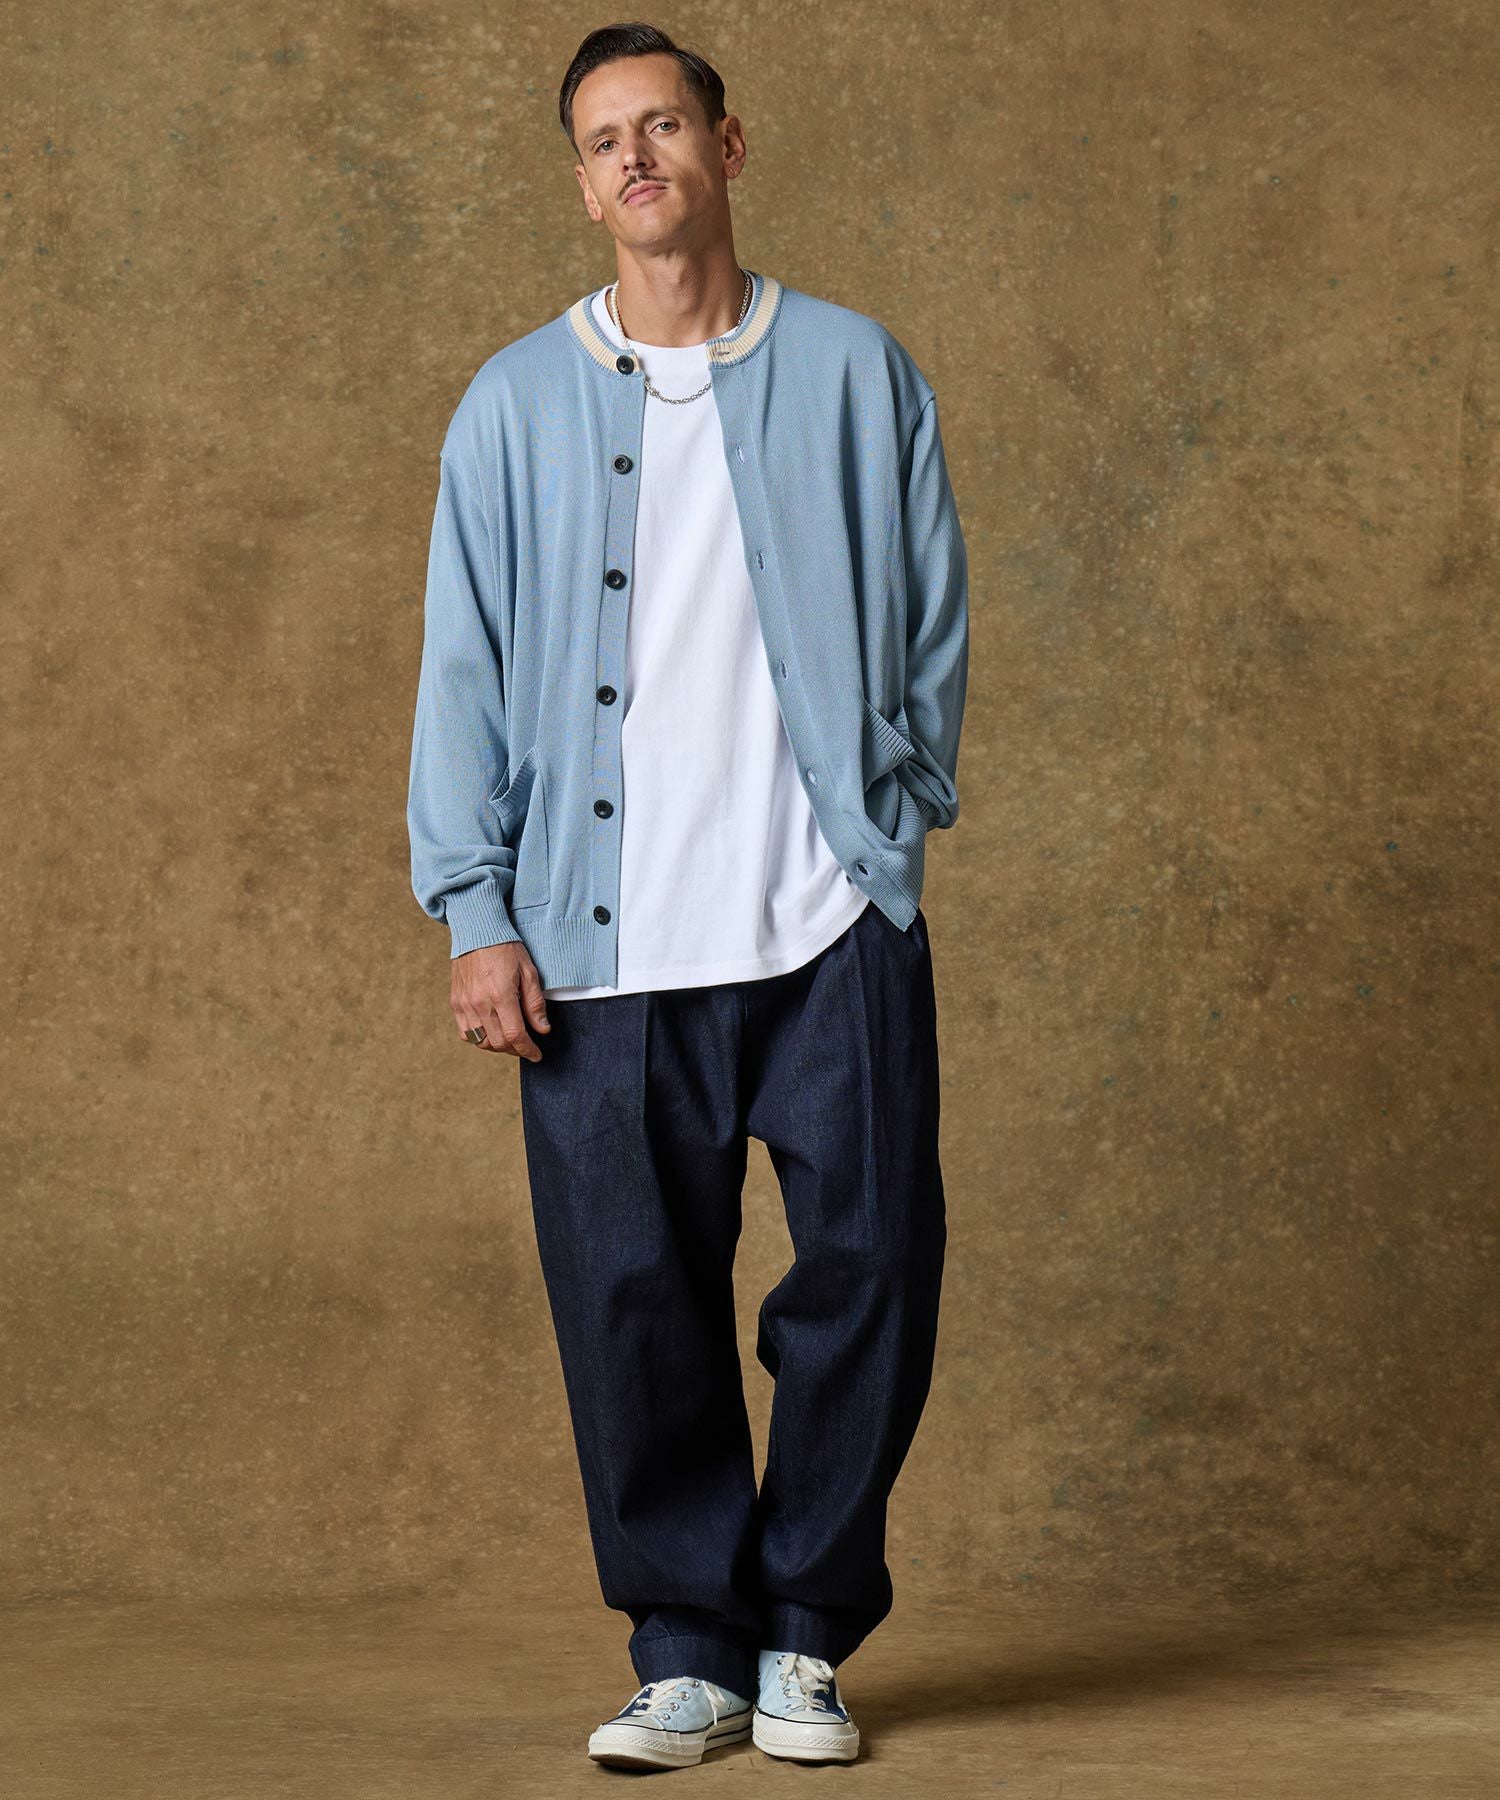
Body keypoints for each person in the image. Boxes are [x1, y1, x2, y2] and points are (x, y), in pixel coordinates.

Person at [406, 21, 969, 1772]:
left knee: (873, 1266)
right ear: (586, 186)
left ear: (729, 146)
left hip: (825, 919)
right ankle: (688, 1650)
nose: (636, 158)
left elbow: (933, 612)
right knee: (629, 1301)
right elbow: (462, 673)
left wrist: (893, 819)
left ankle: (805, 1636)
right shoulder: (513, 405)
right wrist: (474, 906)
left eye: (663, 125)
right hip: (601, 937)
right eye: (604, 141)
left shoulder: (859, 369)